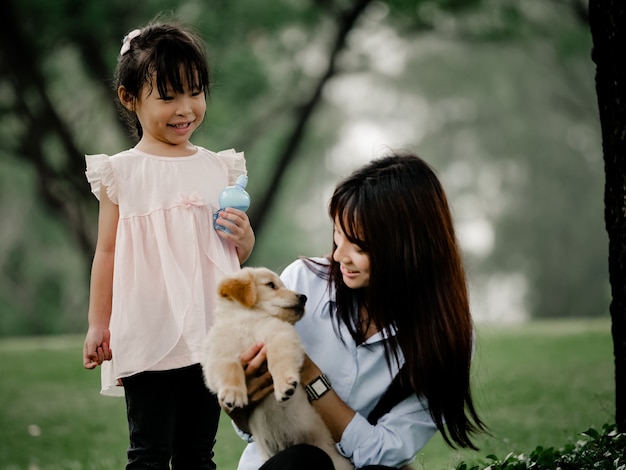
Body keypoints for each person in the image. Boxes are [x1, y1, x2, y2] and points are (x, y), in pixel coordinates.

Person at [229, 153, 487, 469]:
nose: (339, 255)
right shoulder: (302, 285)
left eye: (359, 247)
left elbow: (388, 452)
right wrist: (240, 404)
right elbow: (254, 428)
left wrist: (311, 377)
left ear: (408, 251)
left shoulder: (445, 341)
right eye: (338, 235)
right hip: (287, 461)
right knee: (303, 461)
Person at [81, 18, 255, 470]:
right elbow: (107, 252)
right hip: (148, 328)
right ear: (129, 98)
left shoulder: (219, 168)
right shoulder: (122, 172)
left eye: (195, 92)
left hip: (208, 330)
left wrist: (244, 236)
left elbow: (231, 254)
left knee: (198, 453)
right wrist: (100, 324)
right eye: (168, 96)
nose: (185, 108)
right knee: (149, 452)